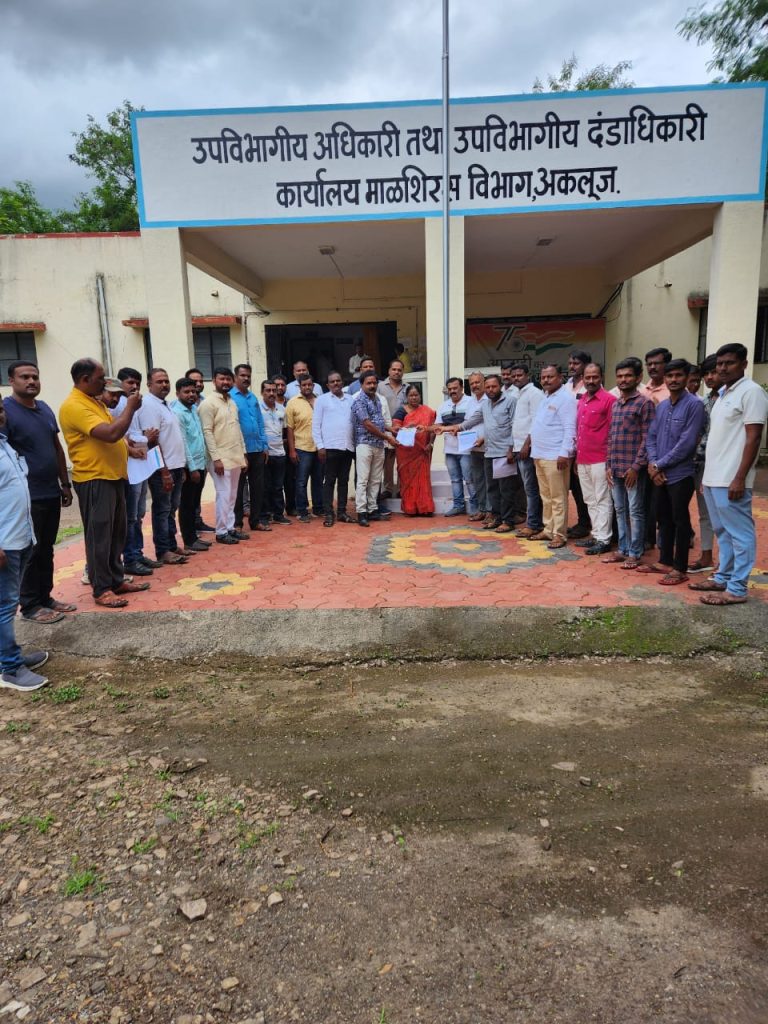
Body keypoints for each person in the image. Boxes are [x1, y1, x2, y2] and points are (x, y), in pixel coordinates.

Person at [59, 358, 149, 608]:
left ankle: (115, 580)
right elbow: (110, 434)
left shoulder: (93, 402)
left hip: (112, 476)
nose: (105, 382)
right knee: (100, 537)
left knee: (116, 534)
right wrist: (130, 407)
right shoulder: (75, 406)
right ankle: (101, 589)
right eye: (100, 378)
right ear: (85, 379)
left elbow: (115, 436)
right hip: (94, 478)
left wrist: (129, 450)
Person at [690, 343, 768, 606]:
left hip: (732, 479)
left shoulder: (751, 392)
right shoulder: (722, 394)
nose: (723, 368)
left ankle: (737, 588)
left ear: (744, 364)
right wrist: (706, 479)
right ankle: (723, 577)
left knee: (740, 534)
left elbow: (753, 438)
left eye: (729, 363)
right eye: (720, 364)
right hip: (713, 478)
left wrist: (739, 477)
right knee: (722, 531)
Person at [3, 361, 76, 623]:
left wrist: (64, 483)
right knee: (31, 551)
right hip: (26, 496)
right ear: (11, 381)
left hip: (50, 492)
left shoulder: (44, 408)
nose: (31, 381)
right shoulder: (6, 412)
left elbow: (56, 447)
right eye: (24, 377)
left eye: (35, 376)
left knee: (47, 548)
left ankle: (45, 597)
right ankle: (30, 605)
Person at [642, 359, 707, 585]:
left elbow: (687, 443)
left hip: (681, 474)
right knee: (663, 517)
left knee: (680, 520)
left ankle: (680, 568)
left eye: (678, 375)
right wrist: (653, 464)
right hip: (658, 473)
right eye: (670, 376)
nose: (674, 380)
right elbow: (651, 437)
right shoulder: (661, 406)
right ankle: (665, 561)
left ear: (686, 377)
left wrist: (659, 465)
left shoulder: (694, 405)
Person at [0, 396, 49, 691]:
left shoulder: (4, 444)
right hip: (4, 543)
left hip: (19, 536)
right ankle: (10, 669)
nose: (0, 414)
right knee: (4, 606)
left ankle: (10, 656)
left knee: (8, 603)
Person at [445, 374, 517, 534]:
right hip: (489, 452)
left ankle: (508, 521)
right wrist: (457, 428)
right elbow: (473, 420)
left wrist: (511, 449)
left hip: (504, 452)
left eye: (494, 386)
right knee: (492, 488)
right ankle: (496, 517)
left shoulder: (510, 401)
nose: (490, 389)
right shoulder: (485, 405)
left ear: (500, 386)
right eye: (488, 387)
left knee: (505, 490)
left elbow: (515, 425)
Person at [132, 368, 189, 564]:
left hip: (175, 465)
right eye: (159, 381)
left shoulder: (165, 404)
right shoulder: (149, 405)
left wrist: (180, 467)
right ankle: (163, 550)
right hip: (162, 468)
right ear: (149, 384)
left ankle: (171, 545)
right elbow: (153, 441)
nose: (164, 384)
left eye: (166, 381)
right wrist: (164, 471)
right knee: (162, 509)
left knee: (171, 508)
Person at [603, 358, 656, 570]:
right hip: (615, 467)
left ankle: (635, 552)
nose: (623, 380)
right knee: (620, 510)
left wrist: (636, 467)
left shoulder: (644, 403)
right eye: (620, 376)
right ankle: (623, 549)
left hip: (634, 470)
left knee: (635, 511)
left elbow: (648, 438)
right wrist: (608, 465)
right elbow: (611, 437)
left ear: (638, 377)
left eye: (628, 376)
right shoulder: (616, 404)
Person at [115, 367, 161, 578]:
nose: (134, 386)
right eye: (130, 382)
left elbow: (135, 432)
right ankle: (130, 559)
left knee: (140, 513)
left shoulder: (135, 404)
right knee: (131, 516)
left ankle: (138, 553)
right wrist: (133, 446)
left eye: (137, 383)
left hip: (142, 463)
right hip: (129, 466)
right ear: (120, 384)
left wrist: (144, 438)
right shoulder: (118, 405)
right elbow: (119, 434)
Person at [198, 366, 249, 545]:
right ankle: (221, 532)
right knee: (223, 494)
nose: (225, 382)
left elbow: (237, 429)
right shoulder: (208, 404)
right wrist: (216, 459)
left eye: (228, 379)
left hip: (235, 456)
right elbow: (207, 432)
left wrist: (243, 454)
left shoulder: (232, 402)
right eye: (222, 379)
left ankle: (230, 527)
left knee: (233, 495)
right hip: (220, 459)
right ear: (214, 381)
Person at [529, 365, 578, 549]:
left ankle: (559, 534)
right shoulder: (545, 398)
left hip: (555, 457)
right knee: (546, 497)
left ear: (560, 378)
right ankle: (548, 529)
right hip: (539, 455)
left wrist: (564, 453)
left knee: (558, 497)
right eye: (543, 377)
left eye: (550, 377)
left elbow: (570, 428)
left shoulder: (566, 399)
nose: (546, 380)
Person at [574, 363, 616, 556]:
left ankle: (604, 539)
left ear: (601, 377)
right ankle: (596, 533)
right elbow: (579, 430)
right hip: (583, 458)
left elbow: (613, 432)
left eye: (595, 377)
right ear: (583, 378)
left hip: (600, 459)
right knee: (590, 499)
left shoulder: (609, 400)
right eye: (587, 377)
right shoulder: (582, 399)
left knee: (602, 499)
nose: (591, 381)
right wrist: (577, 458)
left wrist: (609, 462)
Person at [351, 370, 399, 527]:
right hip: (365, 444)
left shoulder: (377, 399)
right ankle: (361, 512)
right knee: (363, 480)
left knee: (375, 480)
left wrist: (390, 429)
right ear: (362, 384)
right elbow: (367, 424)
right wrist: (387, 437)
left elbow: (378, 422)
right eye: (368, 383)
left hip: (378, 445)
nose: (372, 385)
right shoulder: (359, 401)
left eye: (374, 383)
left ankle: (372, 509)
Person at [171, 377, 211, 554]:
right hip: (189, 466)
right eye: (186, 392)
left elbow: (199, 436)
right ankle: (189, 540)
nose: (191, 395)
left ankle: (194, 537)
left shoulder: (193, 409)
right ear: (178, 393)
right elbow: (183, 443)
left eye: (193, 391)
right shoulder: (177, 413)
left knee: (194, 502)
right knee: (186, 504)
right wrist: (192, 468)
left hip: (200, 462)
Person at [231, 363, 270, 534]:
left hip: (257, 450)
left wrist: (264, 445)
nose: (246, 378)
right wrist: (240, 451)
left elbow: (260, 422)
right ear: (235, 377)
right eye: (242, 375)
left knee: (258, 488)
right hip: (240, 451)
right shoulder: (230, 397)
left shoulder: (253, 397)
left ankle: (255, 521)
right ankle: (237, 523)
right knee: (238, 489)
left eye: (248, 375)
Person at [689, 354, 720, 572]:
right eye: (706, 374)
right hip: (698, 465)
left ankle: (728, 565)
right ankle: (706, 556)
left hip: (719, 467)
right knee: (704, 514)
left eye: (713, 372)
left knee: (723, 516)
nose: (710, 377)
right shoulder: (705, 401)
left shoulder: (733, 398)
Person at [312, 371, 354, 526]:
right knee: (329, 481)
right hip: (329, 447)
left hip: (347, 446)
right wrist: (320, 446)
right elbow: (316, 425)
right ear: (327, 385)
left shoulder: (350, 399)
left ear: (342, 382)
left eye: (338, 380)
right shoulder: (322, 400)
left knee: (344, 481)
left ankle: (342, 512)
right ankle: (329, 514)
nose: (336, 383)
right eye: (332, 381)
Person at [509, 364, 545, 539]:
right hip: (518, 447)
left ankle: (533, 524)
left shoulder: (534, 393)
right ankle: (534, 521)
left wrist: (526, 445)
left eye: (519, 375)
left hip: (528, 449)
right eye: (514, 375)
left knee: (531, 489)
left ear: (528, 375)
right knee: (527, 488)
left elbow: (536, 421)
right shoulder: (516, 394)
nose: (516, 378)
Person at [436, 377, 477, 518]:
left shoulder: (471, 402)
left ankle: (475, 507)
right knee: (455, 479)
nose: (452, 391)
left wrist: (446, 428)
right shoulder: (443, 406)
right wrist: (425, 428)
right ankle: (458, 506)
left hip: (467, 448)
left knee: (470, 479)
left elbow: (471, 423)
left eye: (455, 388)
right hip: (450, 448)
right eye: (450, 389)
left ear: (462, 388)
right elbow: (438, 425)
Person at [393, 384, 436, 516]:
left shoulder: (428, 411)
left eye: (416, 395)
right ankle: (410, 508)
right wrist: (406, 427)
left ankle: (425, 508)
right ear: (406, 397)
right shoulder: (401, 411)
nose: (414, 398)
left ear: (420, 396)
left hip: (423, 451)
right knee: (408, 480)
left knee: (423, 480)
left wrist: (431, 444)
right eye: (411, 395)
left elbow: (433, 429)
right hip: (406, 453)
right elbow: (394, 430)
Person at [563, 349, 592, 539]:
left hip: (583, 443)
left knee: (583, 489)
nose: (572, 367)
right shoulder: (566, 386)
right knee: (573, 486)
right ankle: (582, 522)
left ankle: (586, 524)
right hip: (567, 442)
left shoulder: (589, 386)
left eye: (576, 363)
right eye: (570, 363)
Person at [286, 374, 323, 523]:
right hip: (302, 448)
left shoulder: (320, 401)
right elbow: (289, 429)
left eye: (309, 384)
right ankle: (302, 511)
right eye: (304, 385)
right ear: (299, 386)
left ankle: (318, 508)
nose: (307, 387)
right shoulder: (292, 403)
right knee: (301, 481)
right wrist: (292, 450)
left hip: (319, 447)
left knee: (318, 479)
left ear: (313, 385)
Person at [185, 367, 215, 533]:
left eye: (200, 381)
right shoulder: (180, 406)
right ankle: (191, 527)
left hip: (206, 455)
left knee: (198, 492)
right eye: (194, 381)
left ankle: (197, 521)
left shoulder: (206, 402)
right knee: (189, 496)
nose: (198, 384)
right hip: (191, 458)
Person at [259, 379, 290, 525]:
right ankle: (265, 516)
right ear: (262, 392)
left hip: (280, 453)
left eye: (274, 390)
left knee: (278, 486)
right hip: (264, 454)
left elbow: (285, 430)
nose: (271, 393)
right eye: (268, 390)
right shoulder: (257, 409)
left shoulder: (282, 409)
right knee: (265, 486)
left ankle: (278, 514)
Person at [378, 359, 407, 498]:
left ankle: (402, 488)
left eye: (399, 370)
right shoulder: (380, 387)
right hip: (386, 429)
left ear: (403, 372)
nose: (397, 372)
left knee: (403, 460)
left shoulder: (407, 387)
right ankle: (388, 489)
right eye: (394, 369)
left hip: (403, 430)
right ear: (389, 371)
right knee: (388, 461)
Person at [466, 372, 489, 523]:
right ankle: (482, 509)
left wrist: (484, 438)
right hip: (474, 449)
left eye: (477, 382)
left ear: (484, 382)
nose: (475, 385)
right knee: (478, 481)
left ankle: (491, 511)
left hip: (488, 447)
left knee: (490, 482)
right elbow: (468, 423)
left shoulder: (490, 399)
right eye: (472, 383)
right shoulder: (471, 401)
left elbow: (494, 424)